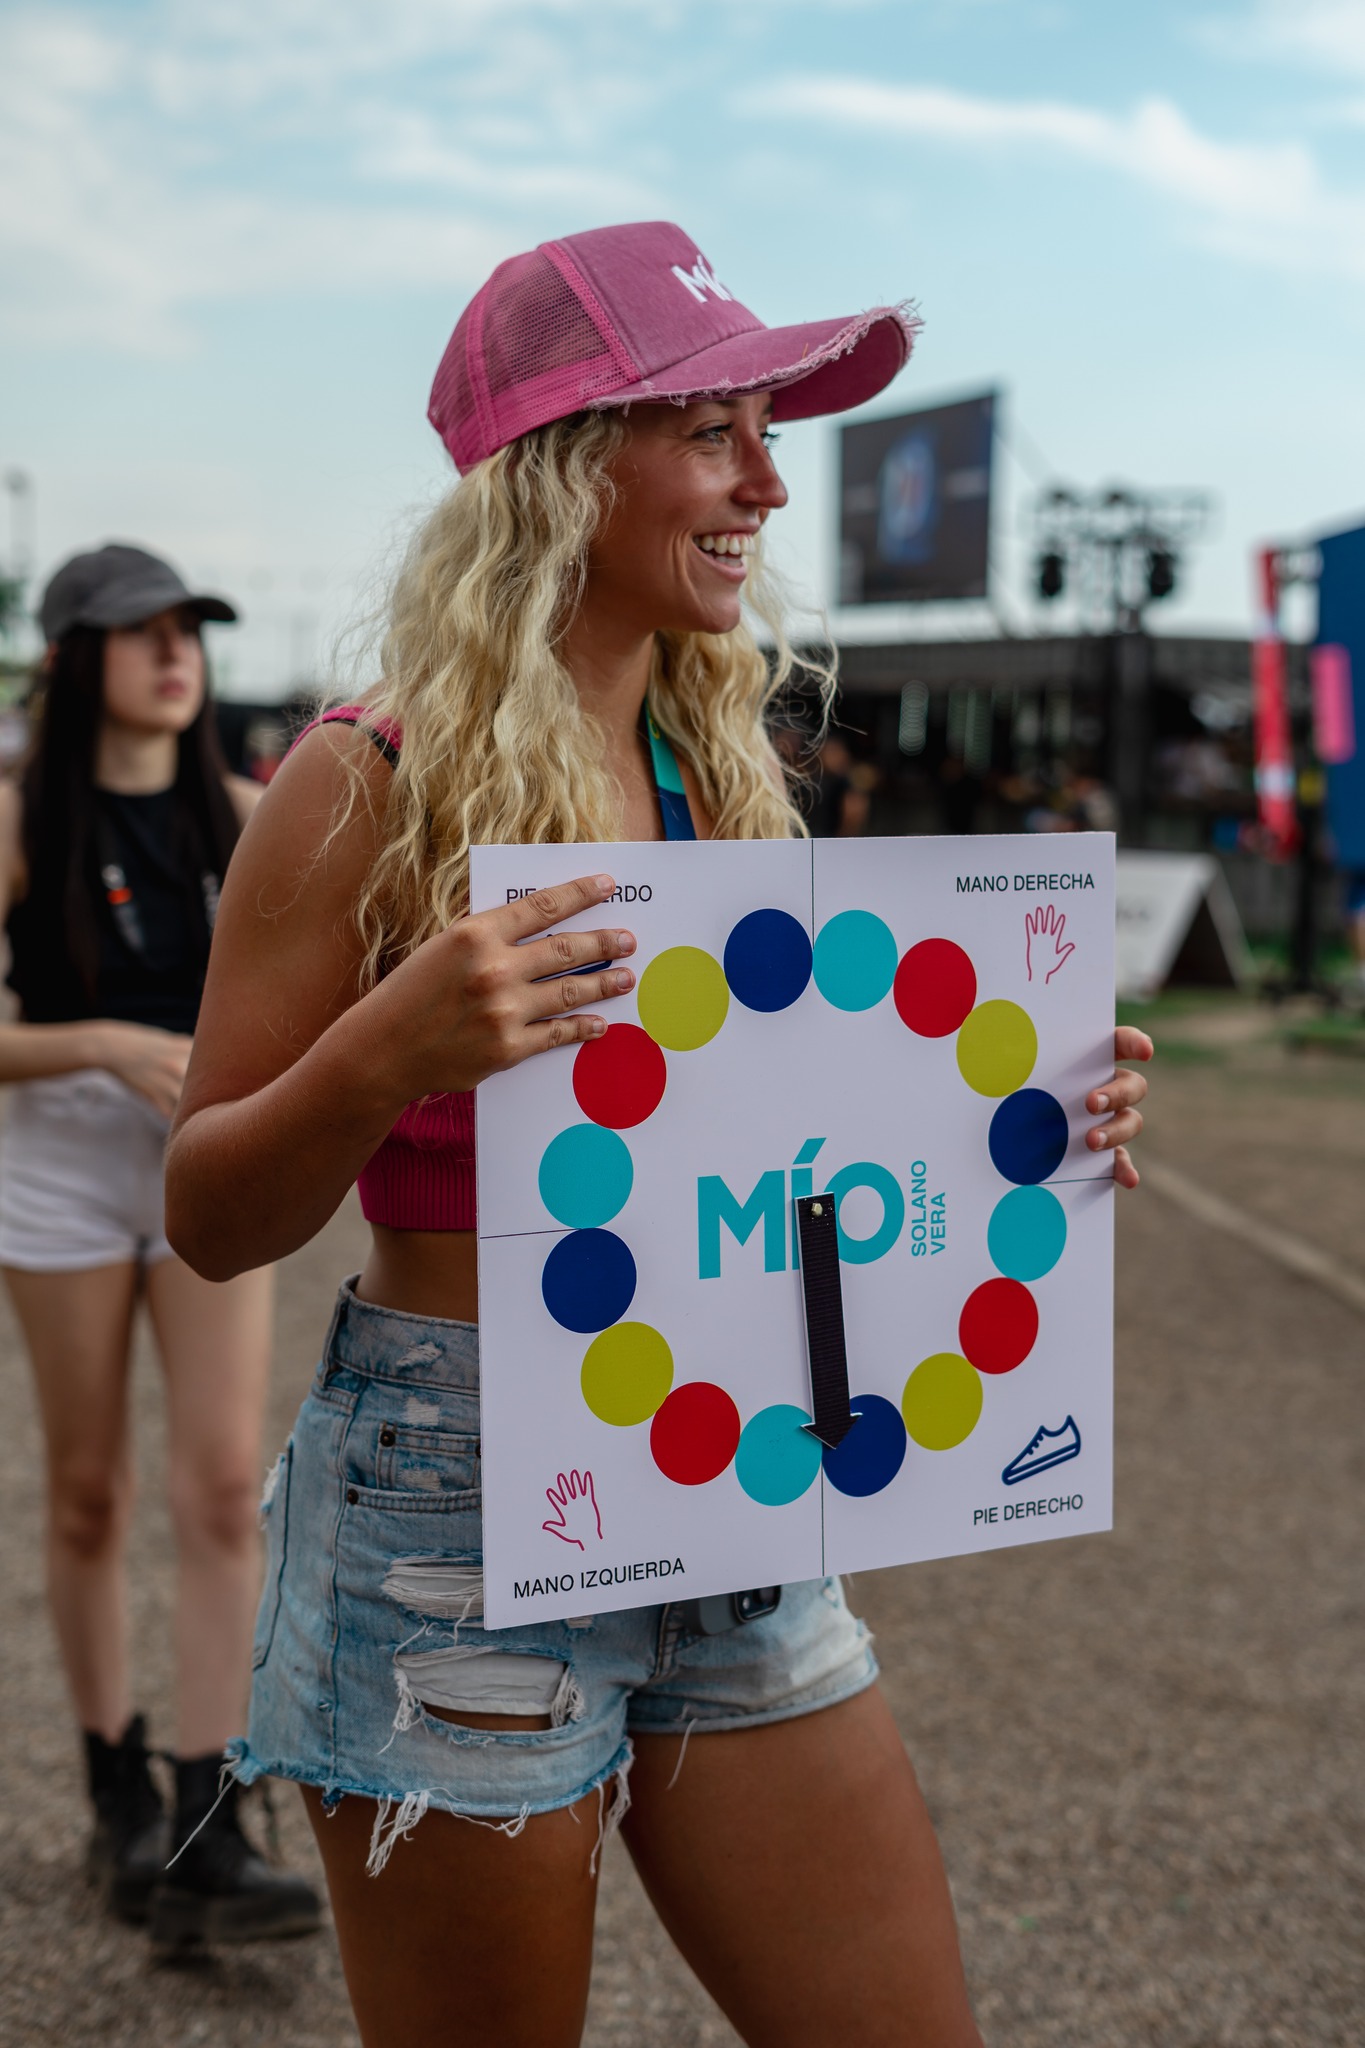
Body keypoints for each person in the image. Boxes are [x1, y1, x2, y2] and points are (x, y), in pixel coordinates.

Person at [165, 223, 1153, 2047]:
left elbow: (787, 1165)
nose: (768, 479)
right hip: (453, 1503)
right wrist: (390, 1048)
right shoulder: (359, 774)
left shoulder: (723, 772)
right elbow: (211, 1210)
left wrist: (1025, 1123)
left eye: (762, 430)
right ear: (563, 470)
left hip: (738, 1477)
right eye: (714, 431)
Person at [0, 545, 320, 1946]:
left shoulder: (249, 814)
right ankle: (113, 1788)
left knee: (213, 1490)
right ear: (76, 661)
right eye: (140, 632)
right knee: (86, 1491)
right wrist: (106, 1044)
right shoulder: (17, 820)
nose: (174, 652)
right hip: (60, 1160)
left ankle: (206, 1817)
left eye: (189, 629)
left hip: (206, 1158)